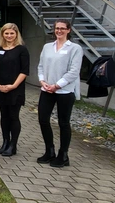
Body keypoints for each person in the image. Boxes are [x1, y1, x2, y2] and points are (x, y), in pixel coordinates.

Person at [37, 19, 82, 167]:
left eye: (63, 28)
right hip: (47, 89)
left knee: (64, 123)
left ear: (68, 30)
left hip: (64, 91)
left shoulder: (75, 48)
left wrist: (57, 85)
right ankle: (49, 151)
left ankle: (63, 155)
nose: (59, 31)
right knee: (43, 119)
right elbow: (41, 66)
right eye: (57, 28)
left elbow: (74, 71)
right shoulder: (47, 47)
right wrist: (43, 81)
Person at [0, 23, 29, 157]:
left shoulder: (21, 50)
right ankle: (5, 142)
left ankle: (13, 145)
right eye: (6, 33)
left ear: (16, 34)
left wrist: (13, 86)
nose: (9, 36)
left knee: (14, 117)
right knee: (4, 117)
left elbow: (24, 71)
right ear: (2, 34)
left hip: (15, 89)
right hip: (0, 88)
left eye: (11, 33)